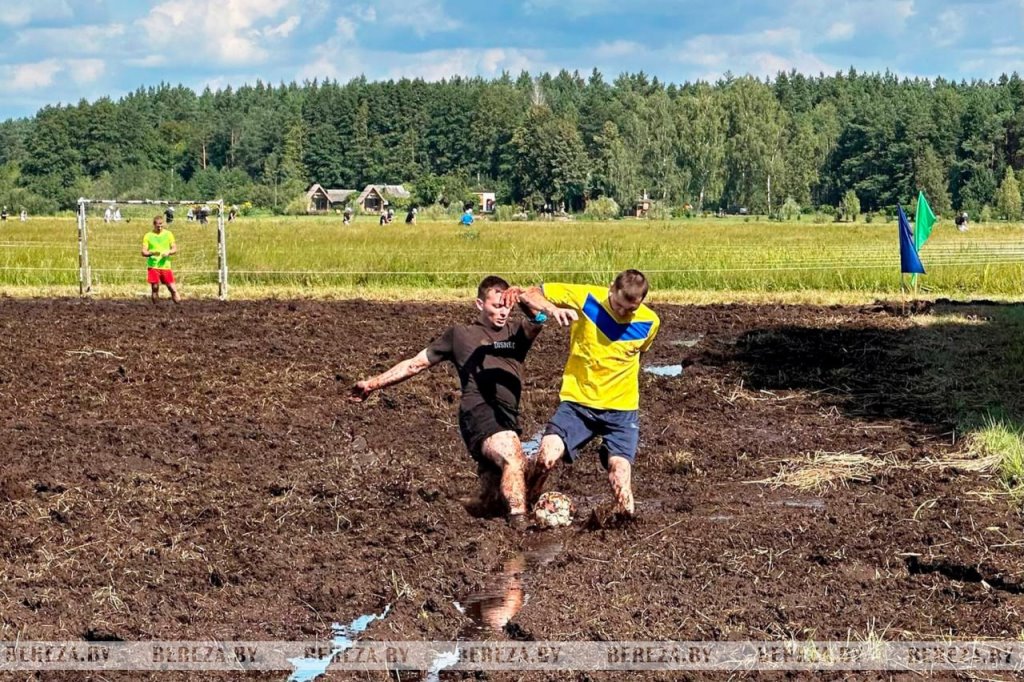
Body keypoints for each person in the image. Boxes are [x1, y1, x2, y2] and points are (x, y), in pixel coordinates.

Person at [349, 276, 577, 529]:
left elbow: (539, 319)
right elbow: (415, 364)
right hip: (478, 412)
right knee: (512, 453)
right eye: (495, 306)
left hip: (507, 417)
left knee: (519, 471)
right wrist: (372, 384)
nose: (502, 312)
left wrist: (522, 299)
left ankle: (481, 505)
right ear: (480, 304)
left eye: (506, 306)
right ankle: (519, 524)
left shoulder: (516, 334)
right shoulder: (460, 335)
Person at [508, 269, 660, 519]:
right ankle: (528, 503)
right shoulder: (586, 298)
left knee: (620, 478)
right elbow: (530, 294)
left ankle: (622, 529)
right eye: (619, 305)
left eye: (630, 309)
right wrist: (552, 309)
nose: (622, 313)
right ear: (612, 289)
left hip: (621, 410)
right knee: (546, 457)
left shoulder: (650, 322)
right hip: (578, 404)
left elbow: (639, 355)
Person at [141, 215, 181, 304]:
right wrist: (151, 253)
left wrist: (169, 252)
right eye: (158, 226)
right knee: (155, 287)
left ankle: (180, 306)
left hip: (165, 266)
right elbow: (143, 252)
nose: (160, 227)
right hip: (153, 266)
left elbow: (174, 249)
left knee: (172, 288)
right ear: (154, 225)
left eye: (161, 225)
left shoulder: (168, 234)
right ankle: (156, 308)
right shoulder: (148, 236)